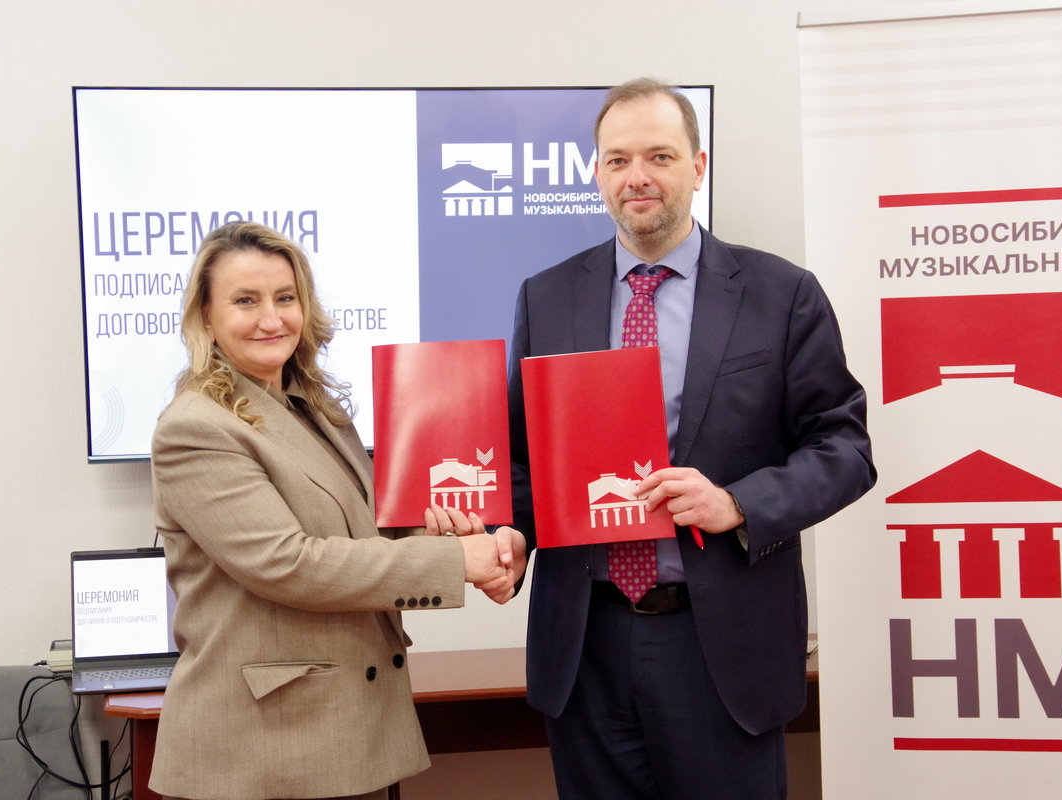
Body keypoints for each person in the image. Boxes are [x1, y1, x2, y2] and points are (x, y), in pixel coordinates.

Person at [500, 78, 877, 799]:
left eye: (660, 156)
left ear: (698, 167)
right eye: (617, 160)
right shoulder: (545, 296)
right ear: (597, 173)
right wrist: (509, 535)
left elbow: (844, 448)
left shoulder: (780, 293)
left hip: (720, 644)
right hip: (585, 642)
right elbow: (523, 458)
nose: (636, 176)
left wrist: (737, 502)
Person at [147, 221, 519, 800]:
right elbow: (288, 564)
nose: (271, 319)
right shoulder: (196, 427)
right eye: (245, 301)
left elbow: (360, 534)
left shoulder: (315, 409)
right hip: (265, 747)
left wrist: (463, 541)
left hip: (341, 728)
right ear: (206, 318)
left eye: (285, 298)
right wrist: (454, 562)